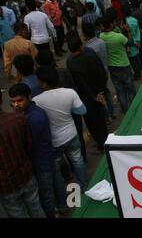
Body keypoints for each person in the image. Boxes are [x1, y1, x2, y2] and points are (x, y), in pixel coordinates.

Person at [33, 66, 88, 208]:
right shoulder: (70, 92)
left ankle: (63, 203)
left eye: (38, 80)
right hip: (71, 133)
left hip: (55, 141)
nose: (37, 83)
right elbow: (82, 110)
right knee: (77, 159)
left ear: (44, 83)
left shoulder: (37, 100)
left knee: (56, 170)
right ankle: (83, 185)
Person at [8, 83, 56, 218]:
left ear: (29, 97)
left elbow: (28, 145)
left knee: (46, 198)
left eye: (19, 101)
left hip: (41, 164)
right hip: (40, 161)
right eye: (13, 102)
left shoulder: (34, 118)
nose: (16, 105)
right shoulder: (28, 113)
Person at [0, 90, 46, 218]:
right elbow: (29, 146)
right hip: (26, 174)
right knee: (36, 207)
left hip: (6, 185)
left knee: (17, 213)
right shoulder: (18, 118)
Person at [66, 35, 109, 149]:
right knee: (100, 118)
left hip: (86, 97)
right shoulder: (91, 55)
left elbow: (79, 84)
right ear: (81, 46)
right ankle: (105, 140)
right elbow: (102, 72)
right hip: (97, 93)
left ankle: (101, 143)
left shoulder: (70, 62)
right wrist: (100, 92)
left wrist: (93, 95)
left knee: (91, 122)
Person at [99, 10, 137, 114]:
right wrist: (128, 31)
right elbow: (131, 43)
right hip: (124, 65)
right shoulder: (119, 37)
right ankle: (135, 108)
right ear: (111, 24)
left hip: (112, 66)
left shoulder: (101, 36)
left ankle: (125, 110)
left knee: (120, 90)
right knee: (130, 88)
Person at [123, 5, 141, 80]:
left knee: (132, 61)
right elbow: (138, 32)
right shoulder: (134, 20)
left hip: (129, 43)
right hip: (136, 41)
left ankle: (137, 75)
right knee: (137, 59)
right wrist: (137, 41)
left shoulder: (124, 22)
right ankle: (138, 73)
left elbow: (125, 34)